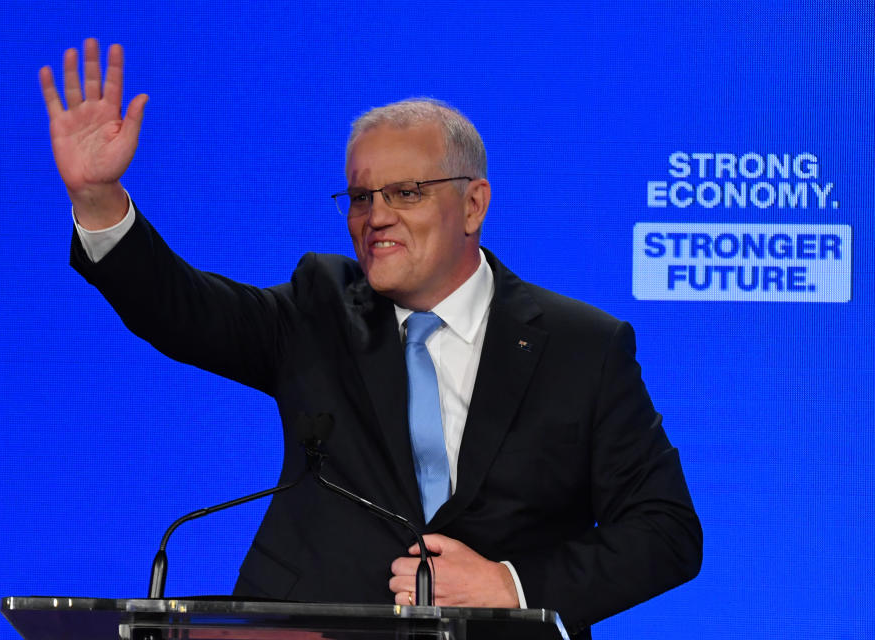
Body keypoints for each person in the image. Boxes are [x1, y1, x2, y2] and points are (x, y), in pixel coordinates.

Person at [40, 39, 702, 638]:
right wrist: (100, 199)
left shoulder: (580, 346)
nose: (376, 216)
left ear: (473, 204)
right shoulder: (319, 307)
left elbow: (665, 531)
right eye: (360, 197)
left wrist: (512, 585)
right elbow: (181, 309)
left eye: (406, 193)